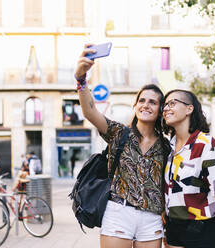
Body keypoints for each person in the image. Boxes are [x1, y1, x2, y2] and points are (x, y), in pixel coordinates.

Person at [75, 44, 170, 248]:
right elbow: (90, 111)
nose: (146, 105)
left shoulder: (166, 146)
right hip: (119, 212)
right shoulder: (119, 133)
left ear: (160, 109)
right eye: (142, 100)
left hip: (152, 217)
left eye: (153, 102)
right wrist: (81, 79)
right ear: (135, 106)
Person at [162, 89, 215, 248]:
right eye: (165, 105)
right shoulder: (170, 148)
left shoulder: (206, 145)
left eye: (172, 103)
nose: (166, 108)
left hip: (201, 230)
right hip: (173, 229)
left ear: (189, 108)